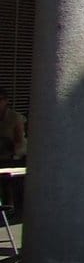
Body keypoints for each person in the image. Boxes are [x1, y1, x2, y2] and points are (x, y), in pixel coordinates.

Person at [0, 88, 26, 217]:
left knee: (7, 179)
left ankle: (10, 207)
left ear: (6, 101)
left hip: (12, 155)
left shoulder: (14, 118)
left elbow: (19, 142)